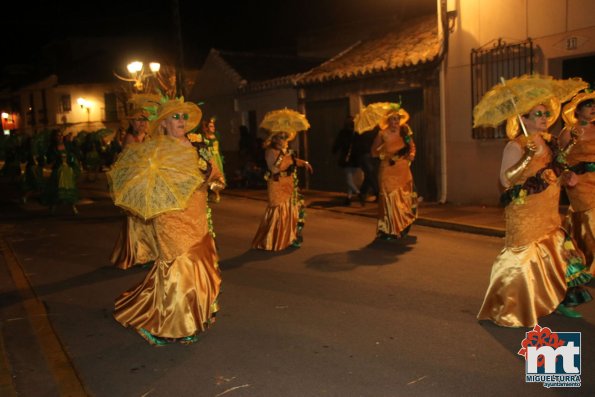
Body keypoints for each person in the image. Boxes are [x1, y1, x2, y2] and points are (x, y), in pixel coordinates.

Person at [113, 96, 225, 346]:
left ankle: (193, 315)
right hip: (171, 218)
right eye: (175, 117)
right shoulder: (154, 152)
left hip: (197, 214)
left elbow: (217, 179)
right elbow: (150, 186)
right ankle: (168, 323)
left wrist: (209, 175)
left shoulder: (197, 145)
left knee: (199, 263)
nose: (181, 121)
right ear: (162, 124)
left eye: (183, 116)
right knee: (179, 267)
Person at [477, 100, 592, 327]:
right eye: (538, 114)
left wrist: (566, 176)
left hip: (548, 210)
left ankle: (558, 300)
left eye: (546, 113)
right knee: (523, 260)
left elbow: (554, 171)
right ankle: (509, 307)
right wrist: (527, 157)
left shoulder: (550, 143)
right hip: (524, 213)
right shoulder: (515, 146)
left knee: (556, 255)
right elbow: (505, 180)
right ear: (525, 120)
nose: (545, 117)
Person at [109, 106, 157, 270]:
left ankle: (149, 253)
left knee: (149, 219)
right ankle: (138, 255)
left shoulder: (149, 137)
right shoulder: (130, 139)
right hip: (135, 183)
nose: (142, 123)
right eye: (138, 120)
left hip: (147, 183)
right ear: (132, 123)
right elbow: (129, 164)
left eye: (144, 120)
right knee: (136, 220)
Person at [252, 130, 313, 250]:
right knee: (278, 212)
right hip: (277, 184)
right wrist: (282, 155)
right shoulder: (270, 152)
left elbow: (294, 161)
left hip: (289, 183)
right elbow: (274, 169)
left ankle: (288, 238)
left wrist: (304, 163)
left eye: (286, 138)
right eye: (281, 138)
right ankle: (272, 241)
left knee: (290, 211)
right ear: (275, 139)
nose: (285, 140)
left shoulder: (286, 152)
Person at [558, 90, 595, 276]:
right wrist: (567, 174)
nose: (593, 108)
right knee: (591, 217)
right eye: (588, 105)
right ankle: (590, 266)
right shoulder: (569, 131)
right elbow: (559, 158)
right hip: (578, 182)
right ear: (577, 110)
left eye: (594, 105)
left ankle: (581, 259)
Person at [370, 105, 417, 239]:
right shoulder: (382, 134)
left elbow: (411, 146)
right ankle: (389, 229)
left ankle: (401, 226)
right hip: (387, 169)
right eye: (392, 119)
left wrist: (412, 155)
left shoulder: (405, 131)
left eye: (397, 119)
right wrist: (384, 154)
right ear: (388, 121)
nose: (395, 122)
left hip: (402, 169)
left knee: (402, 198)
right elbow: (373, 152)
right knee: (389, 199)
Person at [43, 129, 81, 215]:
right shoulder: (52, 147)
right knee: (57, 189)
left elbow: (74, 154)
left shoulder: (67, 145)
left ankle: (73, 208)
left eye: (61, 135)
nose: (60, 137)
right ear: (54, 137)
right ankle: (53, 207)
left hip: (67, 170)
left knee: (69, 189)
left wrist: (72, 158)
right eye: (58, 135)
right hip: (58, 171)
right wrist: (56, 159)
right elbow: (49, 160)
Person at [332, 116, 361, 205]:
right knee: (350, 179)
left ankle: (358, 193)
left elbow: (338, 143)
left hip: (347, 159)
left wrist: (334, 150)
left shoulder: (343, 133)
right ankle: (348, 198)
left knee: (349, 180)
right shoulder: (357, 133)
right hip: (355, 159)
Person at [202, 117, 225, 203]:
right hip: (210, 158)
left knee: (218, 177)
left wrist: (221, 158)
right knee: (209, 177)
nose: (213, 128)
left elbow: (219, 149)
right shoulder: (205, 137)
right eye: (211, 126)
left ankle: (217, 194)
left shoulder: (216, 136)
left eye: (213, 126)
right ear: (207, 128)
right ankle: (207, 194)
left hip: (217, 158)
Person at [355, 129, 380, 205]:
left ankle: (363, 193)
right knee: (370, 174)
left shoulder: (360, 131)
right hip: (368, 154)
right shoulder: (375, 130)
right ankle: (376, 193)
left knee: (369, 175)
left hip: (369, 154)